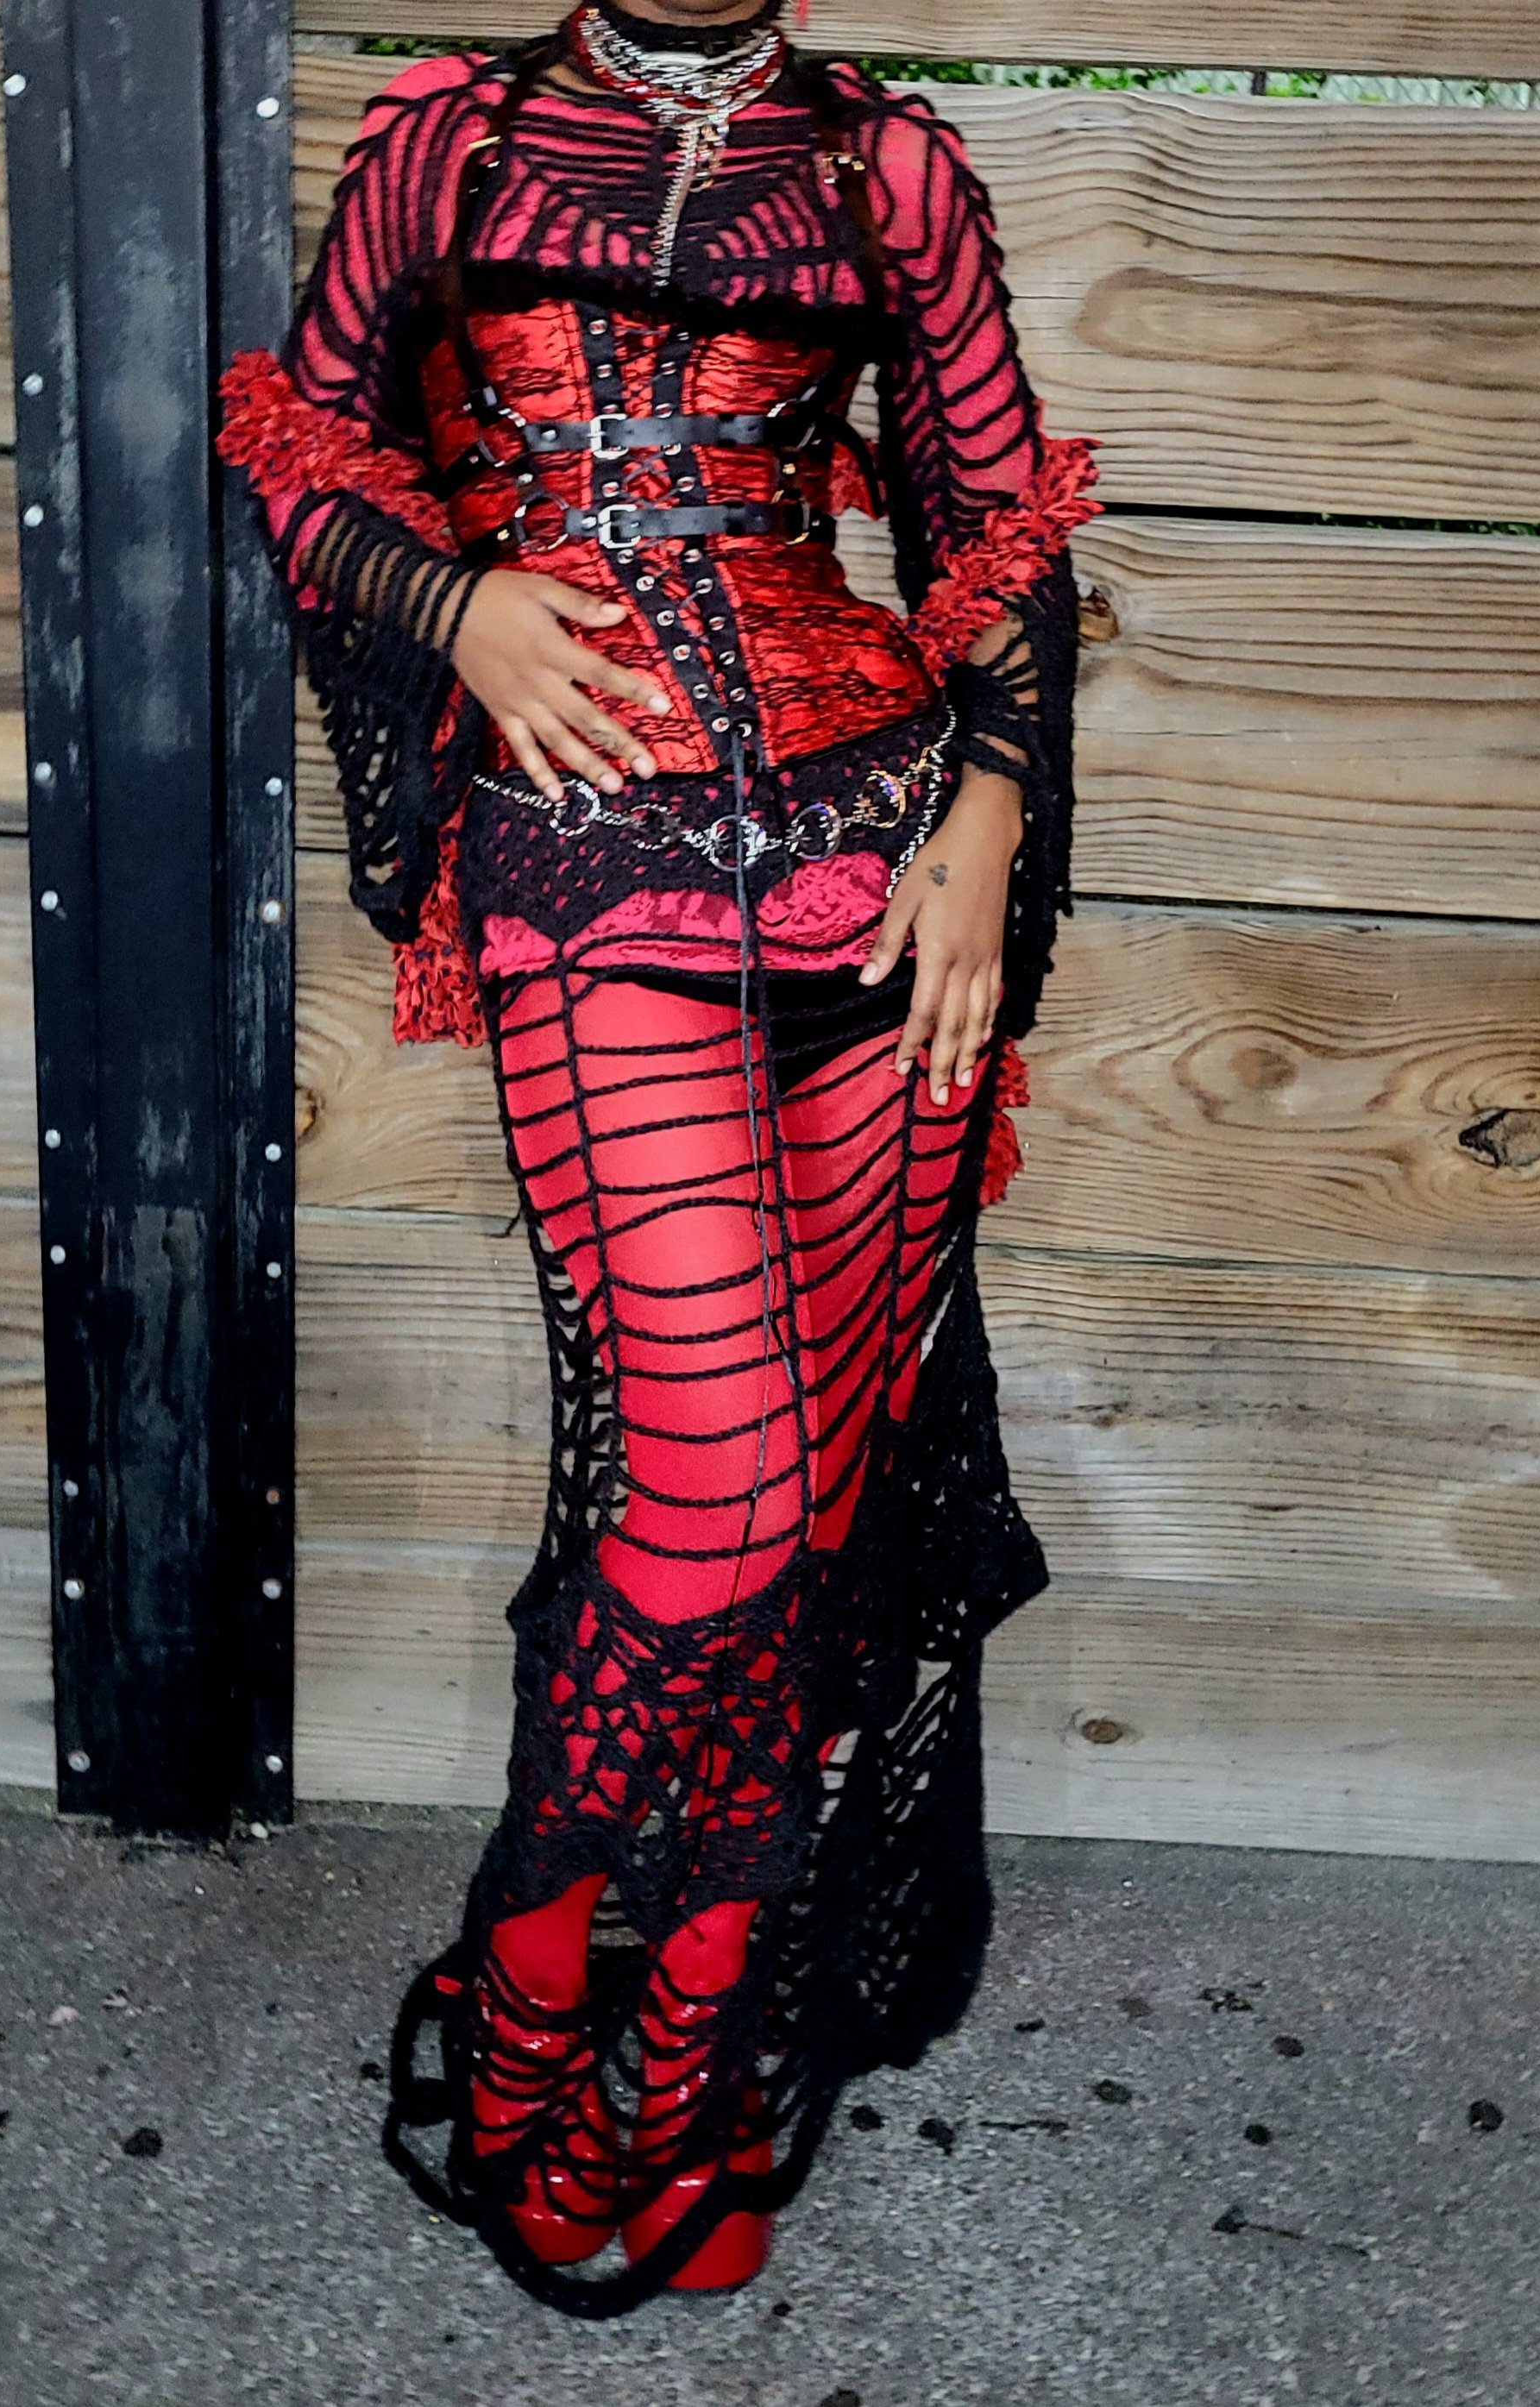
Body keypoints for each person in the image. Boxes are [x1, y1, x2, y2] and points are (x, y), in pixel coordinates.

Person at [219, 0, 1098, 2316]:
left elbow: (991, 521)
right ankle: (529, 2025)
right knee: (702, 1513)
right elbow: (298, 449)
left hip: (879, 867)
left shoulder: (890, 165)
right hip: (594, 877)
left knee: (804, 1534)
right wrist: (459, 601)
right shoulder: (456, 139)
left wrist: (998, 806)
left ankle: (680, 2078)